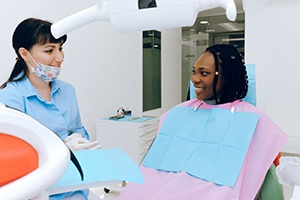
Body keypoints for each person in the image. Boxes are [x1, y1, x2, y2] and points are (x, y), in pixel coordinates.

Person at [117, 44, 287, 200]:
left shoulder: (250, 119)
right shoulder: (179, 112)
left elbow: (259, 171)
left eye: (204, 73)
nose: (194, 79)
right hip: (159, 187)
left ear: (226, 77)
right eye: (194, 71)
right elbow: (154, 160)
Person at [0, 18, 99, 199]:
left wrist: (79, 139)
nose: (59, 58)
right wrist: (62, 149)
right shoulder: (9, 98)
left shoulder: (67, 91)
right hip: (40, 190)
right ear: (24, 53)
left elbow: (78, 128)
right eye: (49, 50)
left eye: (60, 48)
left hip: (75, 184)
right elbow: (17, 158)